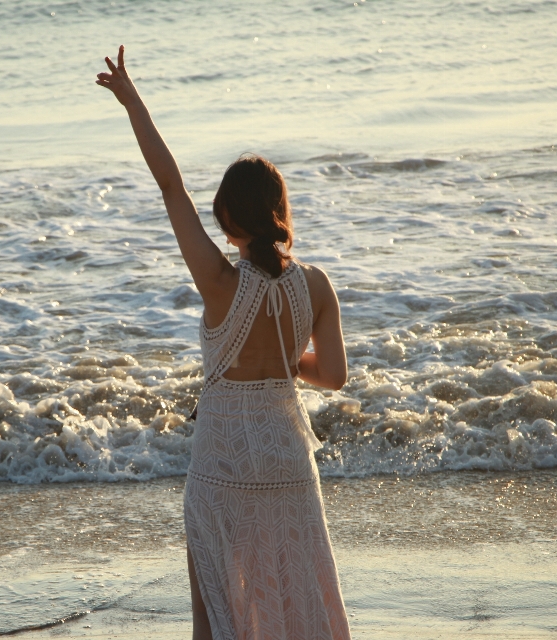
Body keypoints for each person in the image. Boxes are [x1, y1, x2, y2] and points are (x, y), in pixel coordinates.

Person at [96, 46, 351, 640]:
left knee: (215, 612)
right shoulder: (314, 286)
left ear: (230, 220)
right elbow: (334, 376)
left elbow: (169, 185)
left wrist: (133, 102)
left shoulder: (219, 283)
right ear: (279, 212)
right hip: (288, 457)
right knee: (298, 600)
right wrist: (287, 361)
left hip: (223, 459)